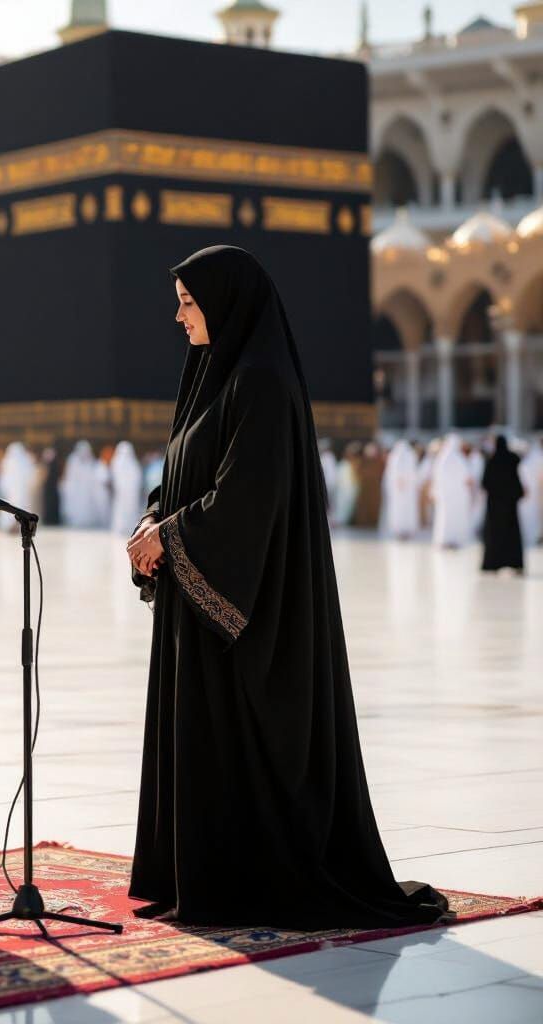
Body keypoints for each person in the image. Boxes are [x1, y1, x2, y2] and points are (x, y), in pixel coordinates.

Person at [125, 245, 449, 930]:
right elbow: (184, 474)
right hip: (200, 607)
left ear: (227, 302)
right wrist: (156, 519)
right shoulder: (210, 376)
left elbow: (248, 500)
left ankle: (246, 875)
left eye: (189, 302)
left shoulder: (262, 382)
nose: (177, 317)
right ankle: (205, 872)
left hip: (253, 613)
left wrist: (173, 537)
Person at [481, 435, 525, 573]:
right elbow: (516, 480)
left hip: (494, 506)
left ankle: (493, 563)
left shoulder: (492, 460)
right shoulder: (512, 459)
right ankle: (514, 562)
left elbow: (485, 483)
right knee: (511, 534)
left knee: (495, 534)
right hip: (510, 505)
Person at [431, 434, 474, 549]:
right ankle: (454, 539)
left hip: (445, 495)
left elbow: (435, 477)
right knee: (455, 517)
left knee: (444, 516)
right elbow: (468, 478)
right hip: (457, 495)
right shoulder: (459, 458)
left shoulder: (442, 458)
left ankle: (444, 540)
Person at [382, 439, 420, 540]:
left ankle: (405, 529)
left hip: (406, 490)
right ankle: (399, 529)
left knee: (405, 509)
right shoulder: (402, 456)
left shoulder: (399, 457)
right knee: (399, 509)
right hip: (399, 490)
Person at [110, 441, 145, 535]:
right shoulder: (116, 462)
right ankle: (120, 528)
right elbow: (115, 478)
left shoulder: (133, 464)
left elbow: (137, 478)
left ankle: (130, 527)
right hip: (121, 493)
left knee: (131, 510)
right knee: (120, 510)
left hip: (131, 494)